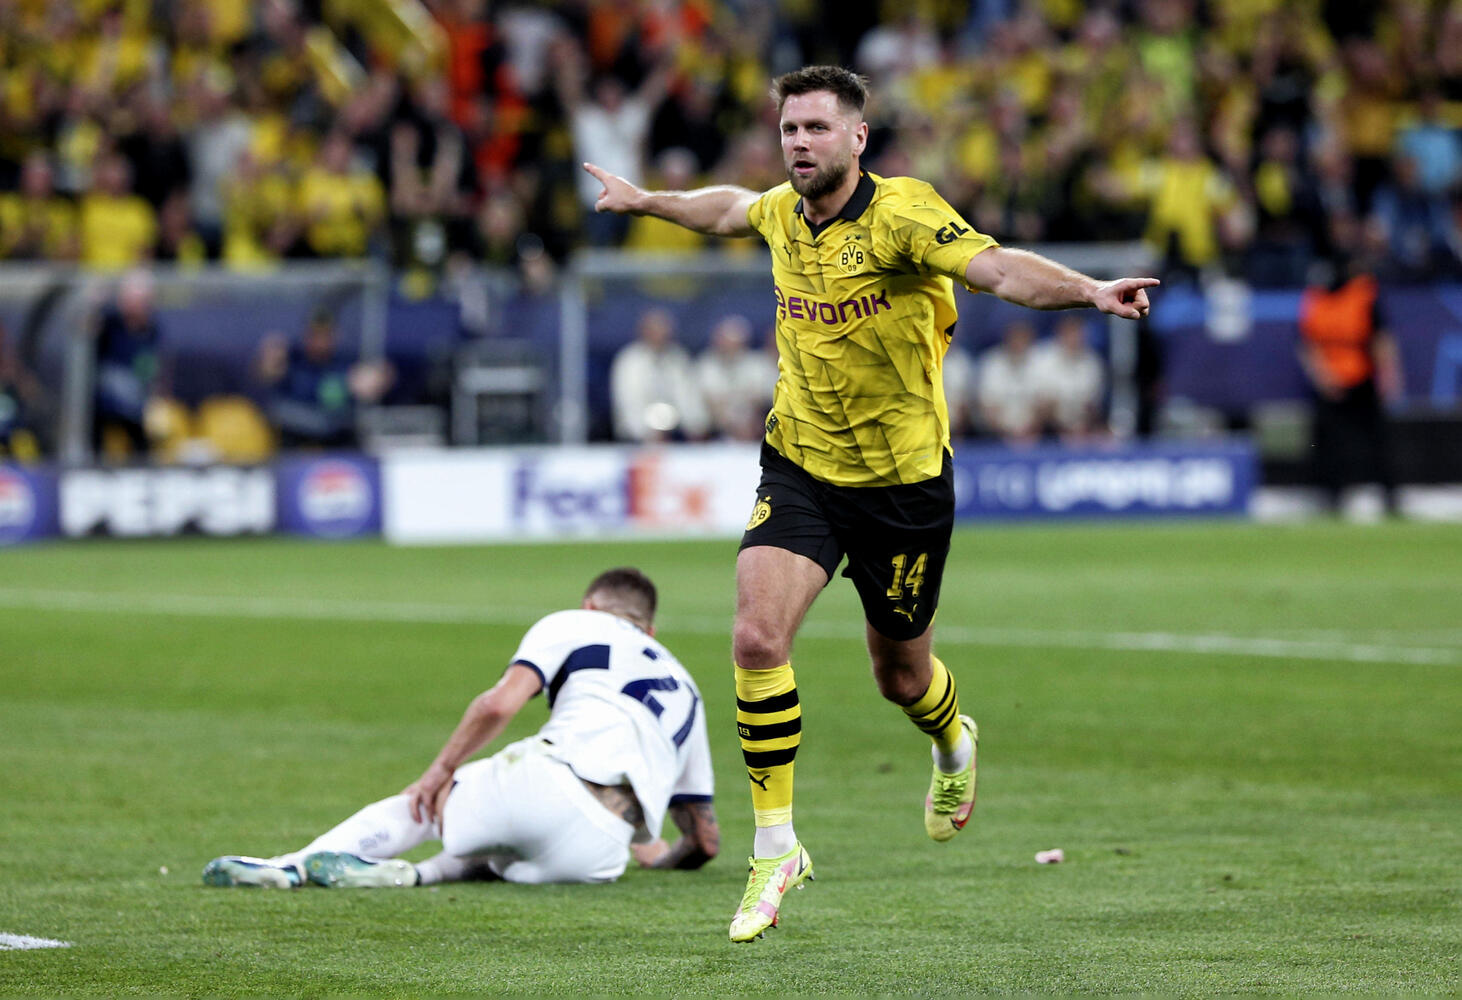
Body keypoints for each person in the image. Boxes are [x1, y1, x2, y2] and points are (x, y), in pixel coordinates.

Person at [584, 64, 1157, 942]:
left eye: (817, 128)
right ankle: (776, 848)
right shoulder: (782, 211)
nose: (799, 143)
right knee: (756, 638)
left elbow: (998, 269)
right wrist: (648, 201)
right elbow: (728, 208)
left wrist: (1088, 290)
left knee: (901, 677)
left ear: (858, 137)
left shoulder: (905, 214)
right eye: (790, 129)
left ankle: (953, 741)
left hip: (902, 486)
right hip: (801, 465)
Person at [203, 567, 719, 889]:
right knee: (503, 847)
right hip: (597, 854)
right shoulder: (688, 688)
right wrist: (656, 861)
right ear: (651, 630)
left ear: (590, 605)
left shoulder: (576, 622)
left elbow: (499, 705)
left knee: (428, 804)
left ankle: (292, 866)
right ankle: (416, 875)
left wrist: (439, 771)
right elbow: (704, 841)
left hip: (547, 783)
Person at [1297, 242, 1402, 515]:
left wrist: (1387, 375)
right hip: (1330, 380)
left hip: (1362, 375)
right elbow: (1306, 343)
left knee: (1377, 439)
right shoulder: (1316, 297)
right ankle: (1332, 498)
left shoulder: (1363, 293)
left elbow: (1380, 337)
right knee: (1330, 442)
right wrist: (1323, 376)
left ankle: (1390, 496)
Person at [254, 309, 393, 450]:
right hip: (295, 440)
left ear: (335, 336)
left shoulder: (346, 365)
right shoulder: (291, 361)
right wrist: (268, 365)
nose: (320, 341)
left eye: (325, 335)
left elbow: (373, 383)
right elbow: (265, 378)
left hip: (337, 441)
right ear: (306, 335)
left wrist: (378, 380)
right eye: (315, 335)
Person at [608, 307, 710, 442]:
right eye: (656, 330)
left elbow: (687, 397)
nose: (662, 335)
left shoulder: (678, 357)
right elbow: (629, 403)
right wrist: (646, 433)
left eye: (665, 330)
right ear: (644, 331)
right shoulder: (630, 360)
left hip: (677, 435)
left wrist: (696, 427)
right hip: (637, 438)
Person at [975, 320, 1044, 445]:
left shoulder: (1040, 363)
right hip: (997, 434)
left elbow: (1044, 405)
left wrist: (1030, 430)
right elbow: (988, 407)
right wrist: (1008, 433)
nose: (1019, 344)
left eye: (1023, 339)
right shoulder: (992, 363)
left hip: (1034, 433)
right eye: (1015, 339)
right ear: (1007, 340)